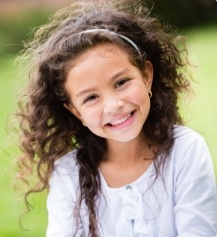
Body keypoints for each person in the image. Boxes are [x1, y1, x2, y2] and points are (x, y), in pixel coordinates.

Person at [14, 0, 217, 236]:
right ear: (76, 110)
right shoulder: (68, 174)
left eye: (121, 83)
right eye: (91, 98)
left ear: (146, 76)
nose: (113, 106)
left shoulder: (184, 150)